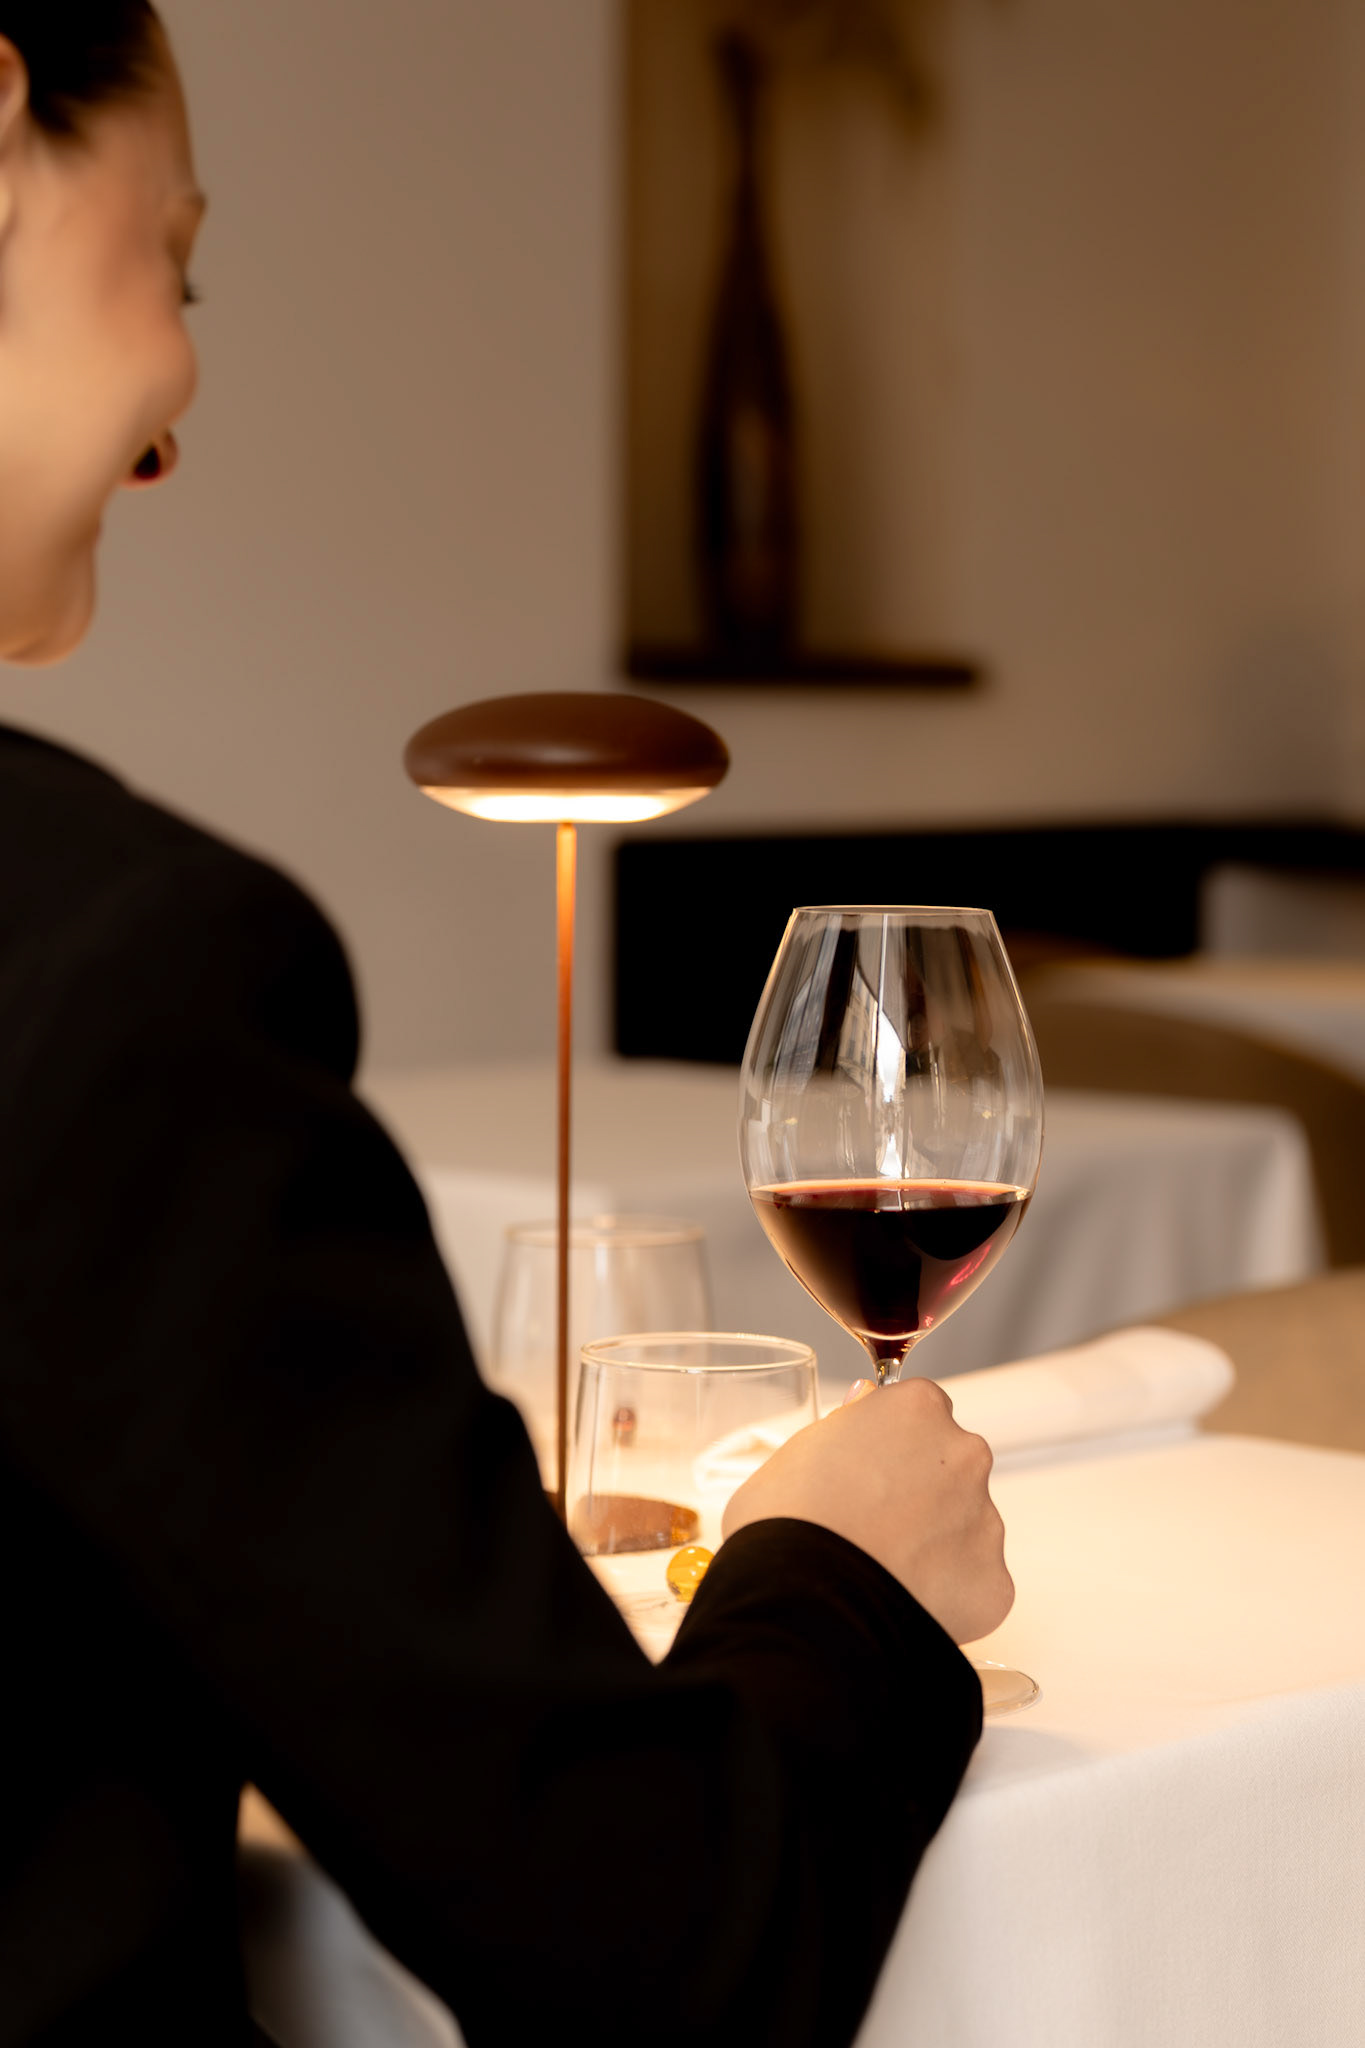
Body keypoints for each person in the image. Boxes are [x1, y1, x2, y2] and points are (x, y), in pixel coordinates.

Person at [0, 7, 1014, 2045]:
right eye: (174, 264)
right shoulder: (119, 981)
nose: (176, 414)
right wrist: (830, 1571)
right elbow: (660, 1950)